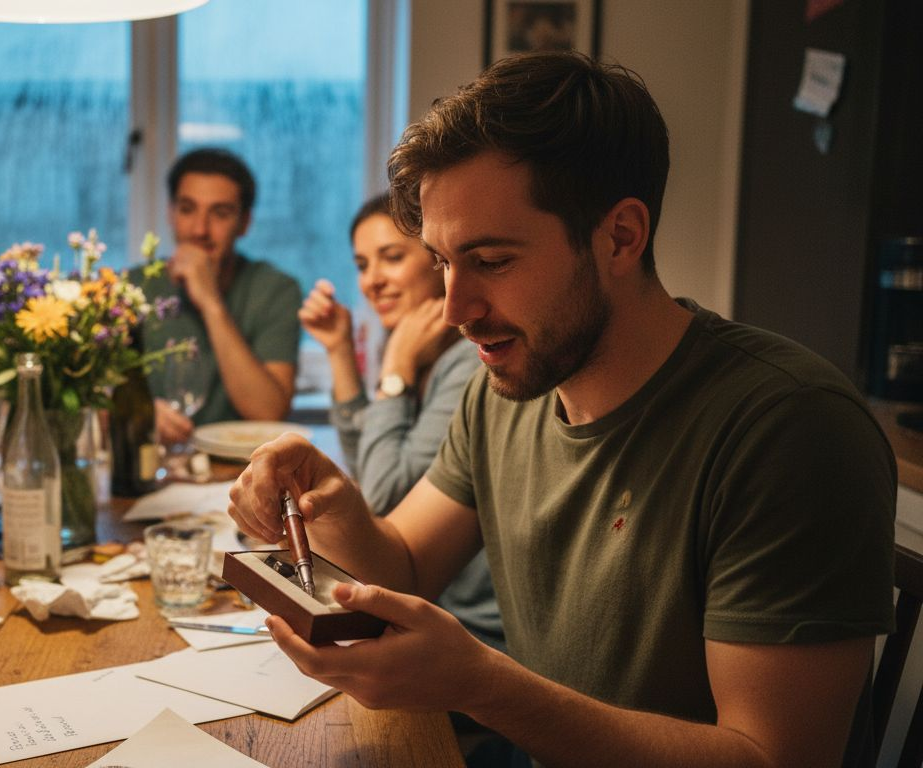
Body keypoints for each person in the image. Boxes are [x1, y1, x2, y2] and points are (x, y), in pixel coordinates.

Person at [228, 51, 896, 768]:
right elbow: (407, 565)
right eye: (445, 262)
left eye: (491, 260)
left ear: (620, 237)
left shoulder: (789, 429)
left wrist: (482, 685)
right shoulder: (504, 390)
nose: (455, 309)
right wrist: (335, 503)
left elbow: (772, 759)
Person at [298, 193, 500, 647]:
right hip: (426, 613)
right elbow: (369, 471)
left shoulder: (473, 363)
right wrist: (338, 354)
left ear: (438, 260)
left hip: (466, 633)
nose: (372, 282)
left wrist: (394, 372)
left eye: (391, 258)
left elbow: (383, 496)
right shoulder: (416, 348)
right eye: (362, 264)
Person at [142, 148, 302, 444]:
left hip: (240, 474)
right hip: (151, 466)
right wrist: (139, 413)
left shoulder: (277, 290)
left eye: (220, 213)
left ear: (244, 223)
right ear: (170, 213)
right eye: (187, 209)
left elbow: (269, 412)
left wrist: (211, 303)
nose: (200, 230)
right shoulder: (132, 288)